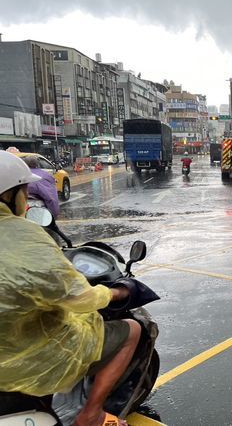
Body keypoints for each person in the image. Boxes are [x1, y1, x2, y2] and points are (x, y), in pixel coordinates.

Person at [0, 150, 141, 426]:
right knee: (131, 331)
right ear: (9, 194)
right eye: (24, 190)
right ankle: (92, 414)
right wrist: (114, 293)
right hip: (21, 360)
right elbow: (77, 297)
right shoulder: (24, 235)